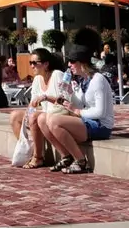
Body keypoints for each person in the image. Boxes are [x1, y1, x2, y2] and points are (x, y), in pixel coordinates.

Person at [36, 40, 114, 175]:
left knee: (54, 120)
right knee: (43, 118)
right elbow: (79, 104)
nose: (69, 65)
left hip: (101, 126)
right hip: (87, 121)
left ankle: (80, 160)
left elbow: (100, 112)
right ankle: (66, 156)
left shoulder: (98, 79)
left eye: (72, 62)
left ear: (82, 62)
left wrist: (78, 112)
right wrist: (70, 94)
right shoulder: (82, 80)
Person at [10, 48, 67, 169]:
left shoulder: (57, 75)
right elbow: (33, 103)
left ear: (46, 64)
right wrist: (28, 113)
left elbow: (65, 101)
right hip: (47, 112)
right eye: (30, 63)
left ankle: (38, 157)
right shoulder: (37, 79)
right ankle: (28, 152)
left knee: (35, 116)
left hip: (61, 112)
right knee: (15, 115)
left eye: (35, 63)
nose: (32, 66)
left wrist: (45, 98)